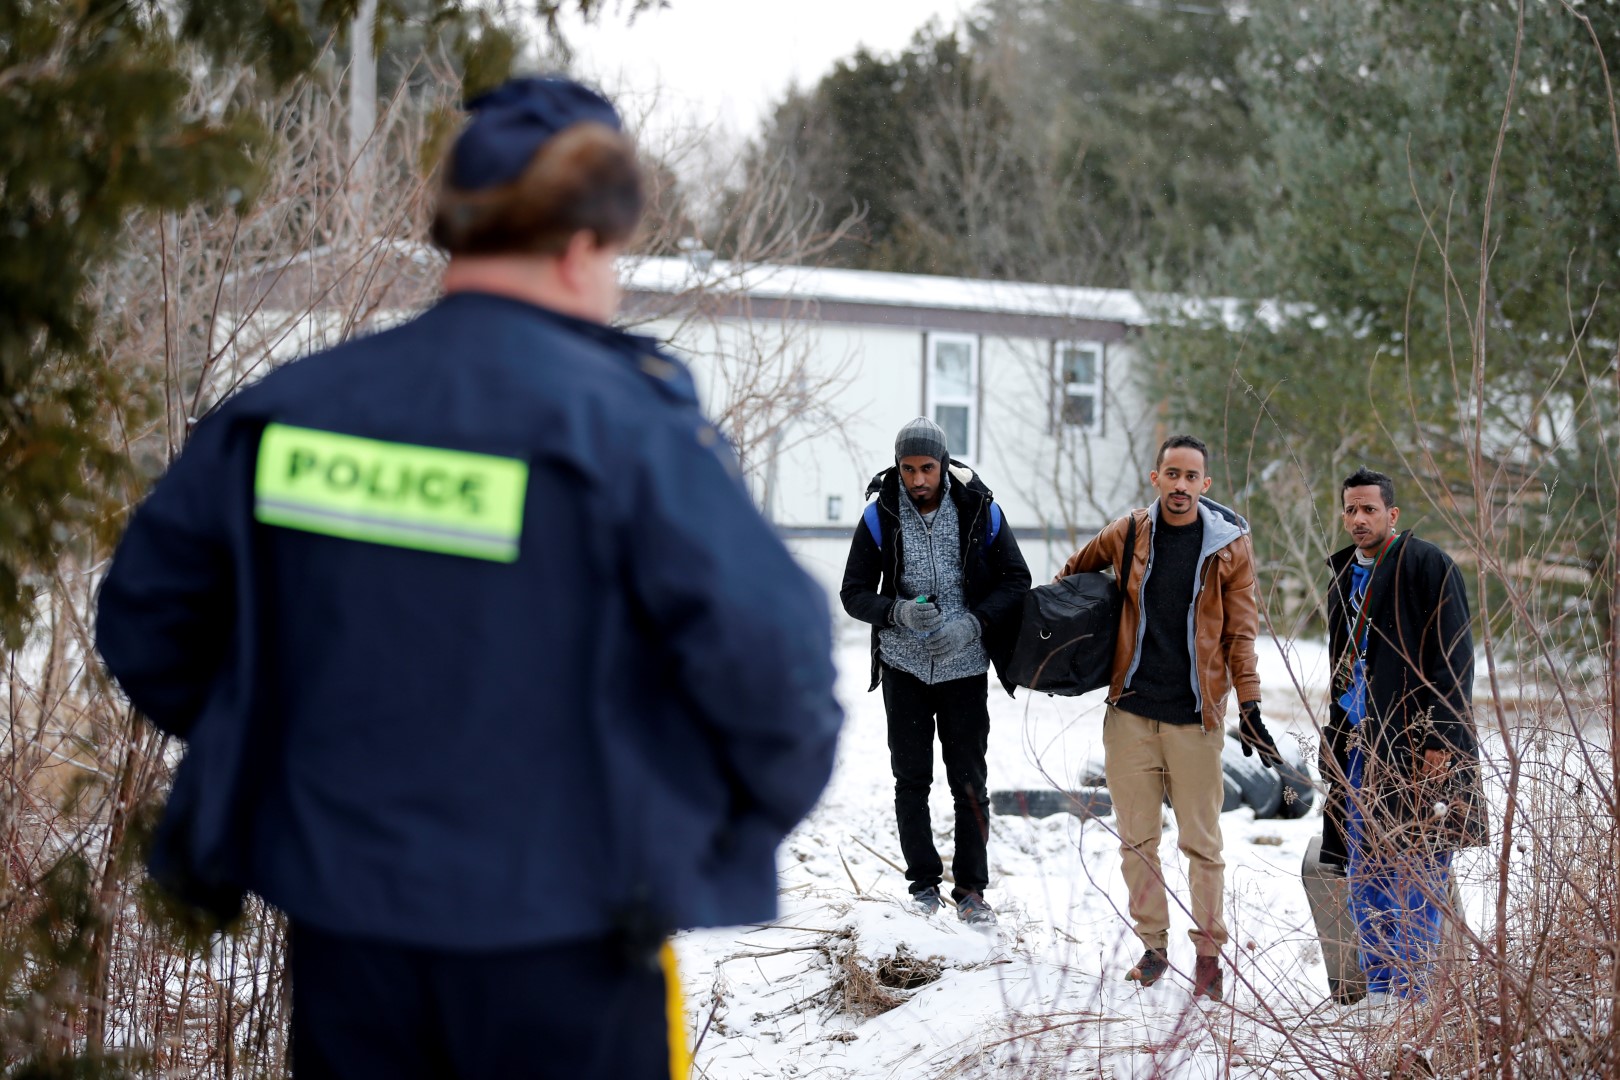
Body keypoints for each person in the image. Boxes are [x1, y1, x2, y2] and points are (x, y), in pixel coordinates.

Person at [94, 76, 843, 1080]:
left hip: (348, 942)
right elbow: (779, 670)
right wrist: (683, 828)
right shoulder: (626, 433)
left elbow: (146, 618)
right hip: (568, 943)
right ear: (581, 245)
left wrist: (290, 746)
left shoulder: (292, 411)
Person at [1054, 433, 1275, 1002]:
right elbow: (1072, 579)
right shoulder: (1128, 532)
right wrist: (1070, 650)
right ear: (1156, 478)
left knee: (1202, 844)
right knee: (1137, 842)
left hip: (1195, 720)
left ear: (1205, 484)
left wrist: (1250, 704)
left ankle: (1208, 957)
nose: (1180, 485)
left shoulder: (1229, 547)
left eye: (1191, 476)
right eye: (1171, 474)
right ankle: (1153, 947)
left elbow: (1241, 633)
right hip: (1129, 714)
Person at [839, 418, 1031, 926]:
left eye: (927, 468)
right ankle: (923, 887)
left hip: (964, 669)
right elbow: (853, 592)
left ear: (943, 465)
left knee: (969, 783)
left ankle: (971, 892)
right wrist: (896, 611)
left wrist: (974, 623)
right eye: (908, 469)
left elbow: (1017, 580)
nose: (918, 479)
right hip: (903, 669)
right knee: (911, 780)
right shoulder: (880, 515)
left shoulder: (979, 509)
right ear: (897, 468)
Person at [1321, 467, 1485, 1007]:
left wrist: (1440, 741)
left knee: (1417, 870)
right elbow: (1343, 670)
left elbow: (1455, 659)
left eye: (1369, 509)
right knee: (1365, 868)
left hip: (1418, 746)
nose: (1359, 518)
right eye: (1351, 509)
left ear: (1392, 514)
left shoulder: (1427, 564)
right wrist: (1334, 742)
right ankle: (1379, 991)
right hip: (1361, 745)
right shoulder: (1343, 575)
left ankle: (1413, 996)